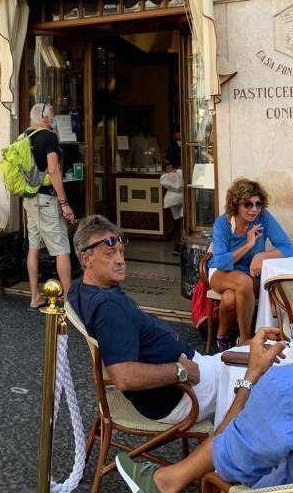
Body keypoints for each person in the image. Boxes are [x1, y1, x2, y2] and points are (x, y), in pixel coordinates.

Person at [68, 214, 225, 424]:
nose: (120, 260)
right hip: (184, 393)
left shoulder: (79, 289)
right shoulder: (109, 307)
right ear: (86, 259)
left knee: (254, 353)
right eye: (109, 253)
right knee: (265, 373)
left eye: (121, 251)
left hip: (183, 381)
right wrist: (181, 371)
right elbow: (124, 377)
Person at [115, 326, 292, 492]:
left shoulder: (281, 387)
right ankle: (167, 480)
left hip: (186, 392)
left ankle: (165, 481)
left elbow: (227, 455)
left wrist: (252, 374)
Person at [209, 178, 293, 349]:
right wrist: (248, 245)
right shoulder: (222, 224)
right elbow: (220, 262)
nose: (254, 209)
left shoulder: (263, 217)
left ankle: (222, 337)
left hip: (249, 275)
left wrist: (262, 256)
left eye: (258, 204)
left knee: (229, 297)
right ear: (236, 204)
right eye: (248, 204)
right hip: (220, 273)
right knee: (242, 281)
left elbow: (287, 247)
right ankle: (245, 339)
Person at [22, 103, 74, 310]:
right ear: (43, 117)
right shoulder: (49, 137)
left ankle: (35, 296)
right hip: (46, 200)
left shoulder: (23, 137)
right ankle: (69, 301)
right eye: (51, 116)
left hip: (28, 199)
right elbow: (53, 171)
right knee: (61, 248)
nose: (53, 119)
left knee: (34, 247)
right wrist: (64, 202)